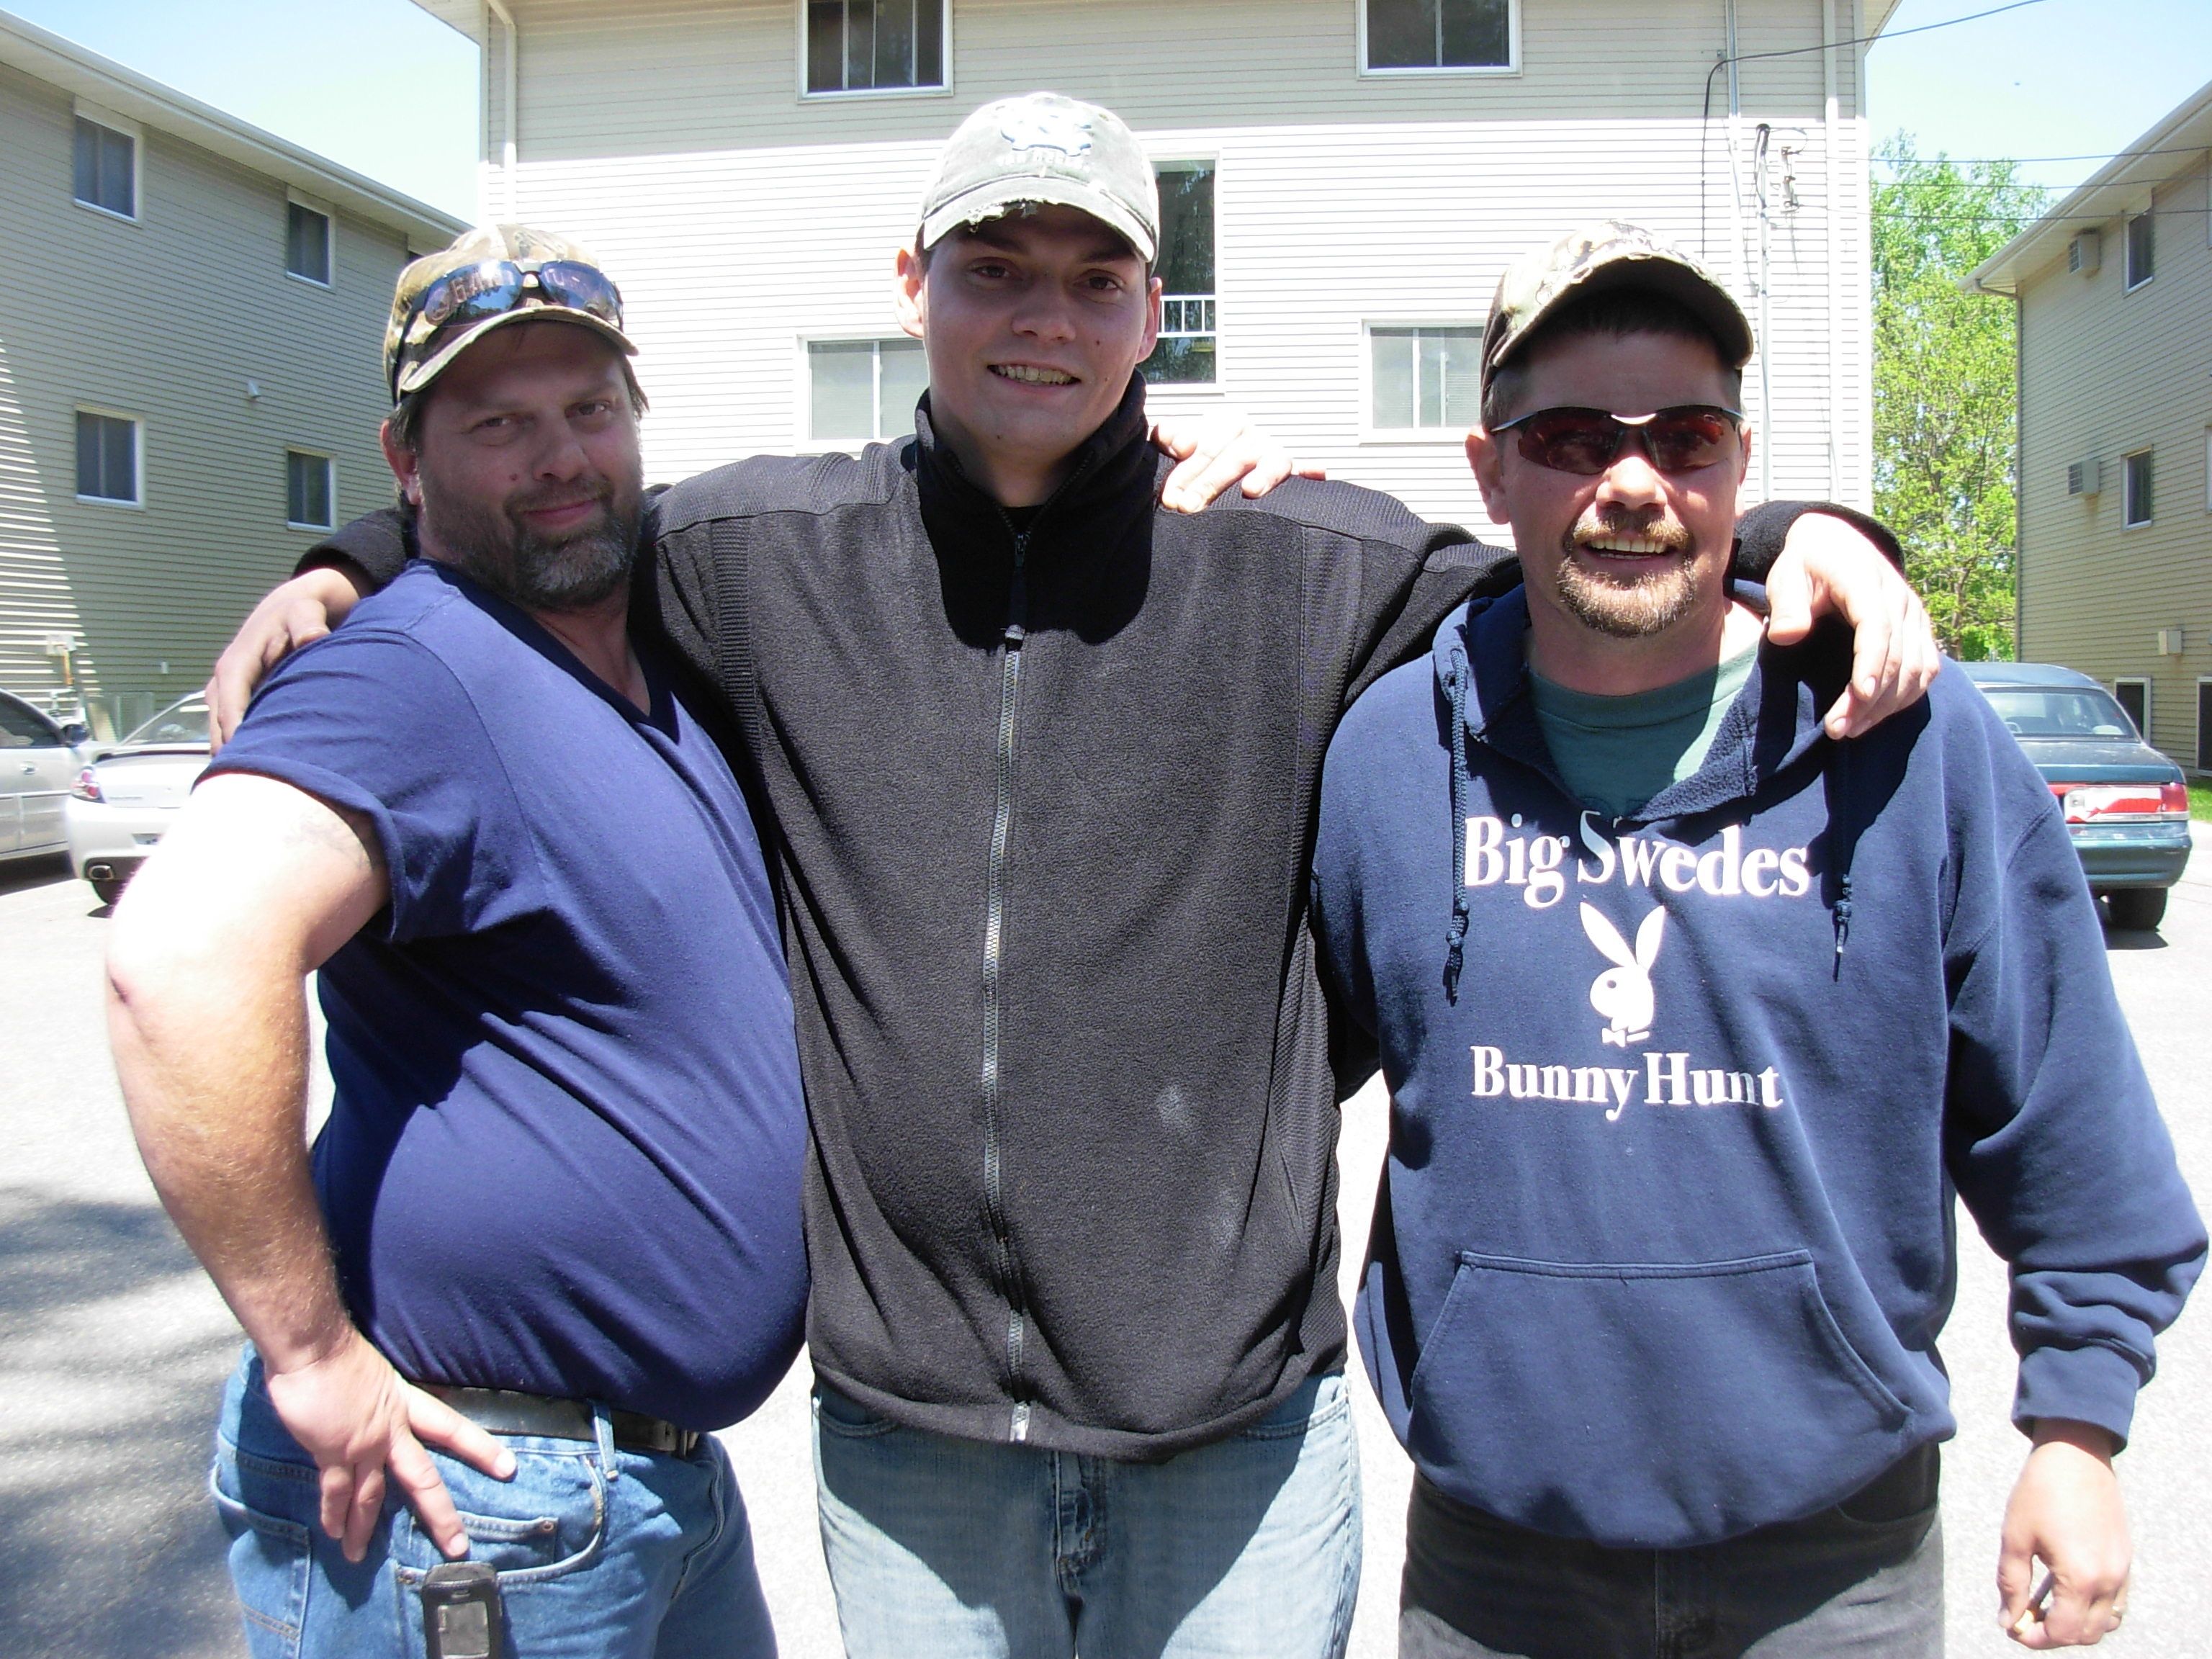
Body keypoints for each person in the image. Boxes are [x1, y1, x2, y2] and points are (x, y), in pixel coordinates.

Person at [208, 101, 1937, 1659]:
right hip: (913, 1452)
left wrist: (1803, 533)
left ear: (1154, 309)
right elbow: (555, 518)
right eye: (995, 266)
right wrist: (351, 561)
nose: (1044, 314)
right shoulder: (756, 557)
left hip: (1238, 1444)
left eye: (1095, 276)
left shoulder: (1298, 558)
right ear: (914, 285)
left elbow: (1593, 565)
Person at [1308, 222, 2206, 1659]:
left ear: (1741, 461)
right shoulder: (1387, 764)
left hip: (1835, 1566)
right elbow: (1260, 1084)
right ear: (1489, 471)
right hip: (1498, 1569)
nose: (1632, 483)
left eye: (1686, 434)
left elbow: (2070, 1122)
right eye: (1571, 436)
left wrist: (2079, 1431)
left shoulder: (1910, 747)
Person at [107, 228, 812, 1658]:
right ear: (406, 461)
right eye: (498, 424)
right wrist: (310, 1357)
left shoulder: (647, 666)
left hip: (643, 1493)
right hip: (476, 1497)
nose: (560, 458)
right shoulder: (412, 674)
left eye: (588, 412)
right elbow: (176, 958)